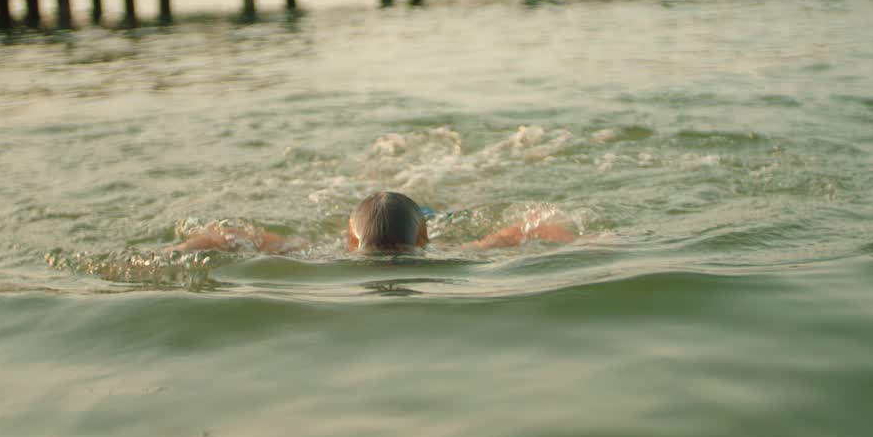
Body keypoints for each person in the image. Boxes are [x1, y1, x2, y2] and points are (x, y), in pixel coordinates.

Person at [173, 191, 578, 254]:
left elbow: (225, 233)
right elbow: (533, 223)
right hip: (427, 223)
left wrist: (179, 249)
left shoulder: (318, 256)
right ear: (424, 240)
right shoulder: (457, 252)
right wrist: (590, 241)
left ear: (350, 242)